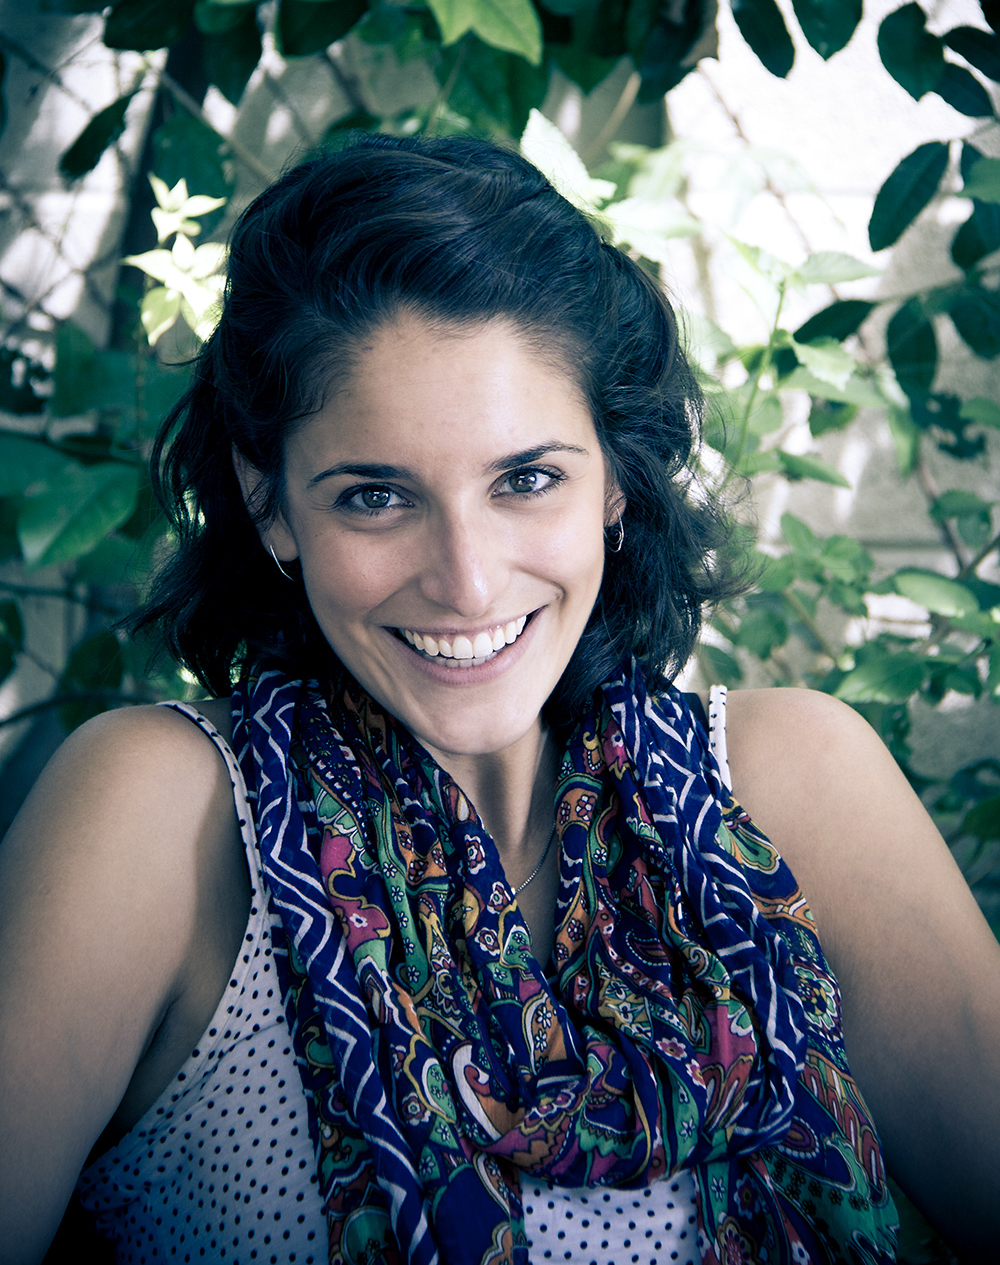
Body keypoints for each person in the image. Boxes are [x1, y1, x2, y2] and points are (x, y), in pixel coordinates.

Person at [1, 135, 998, 1265]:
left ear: (615, 477)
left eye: (527, 479)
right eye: (375, 497)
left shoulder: (799, 787)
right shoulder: (158, 819)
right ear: (270, 503)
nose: (468, 583)